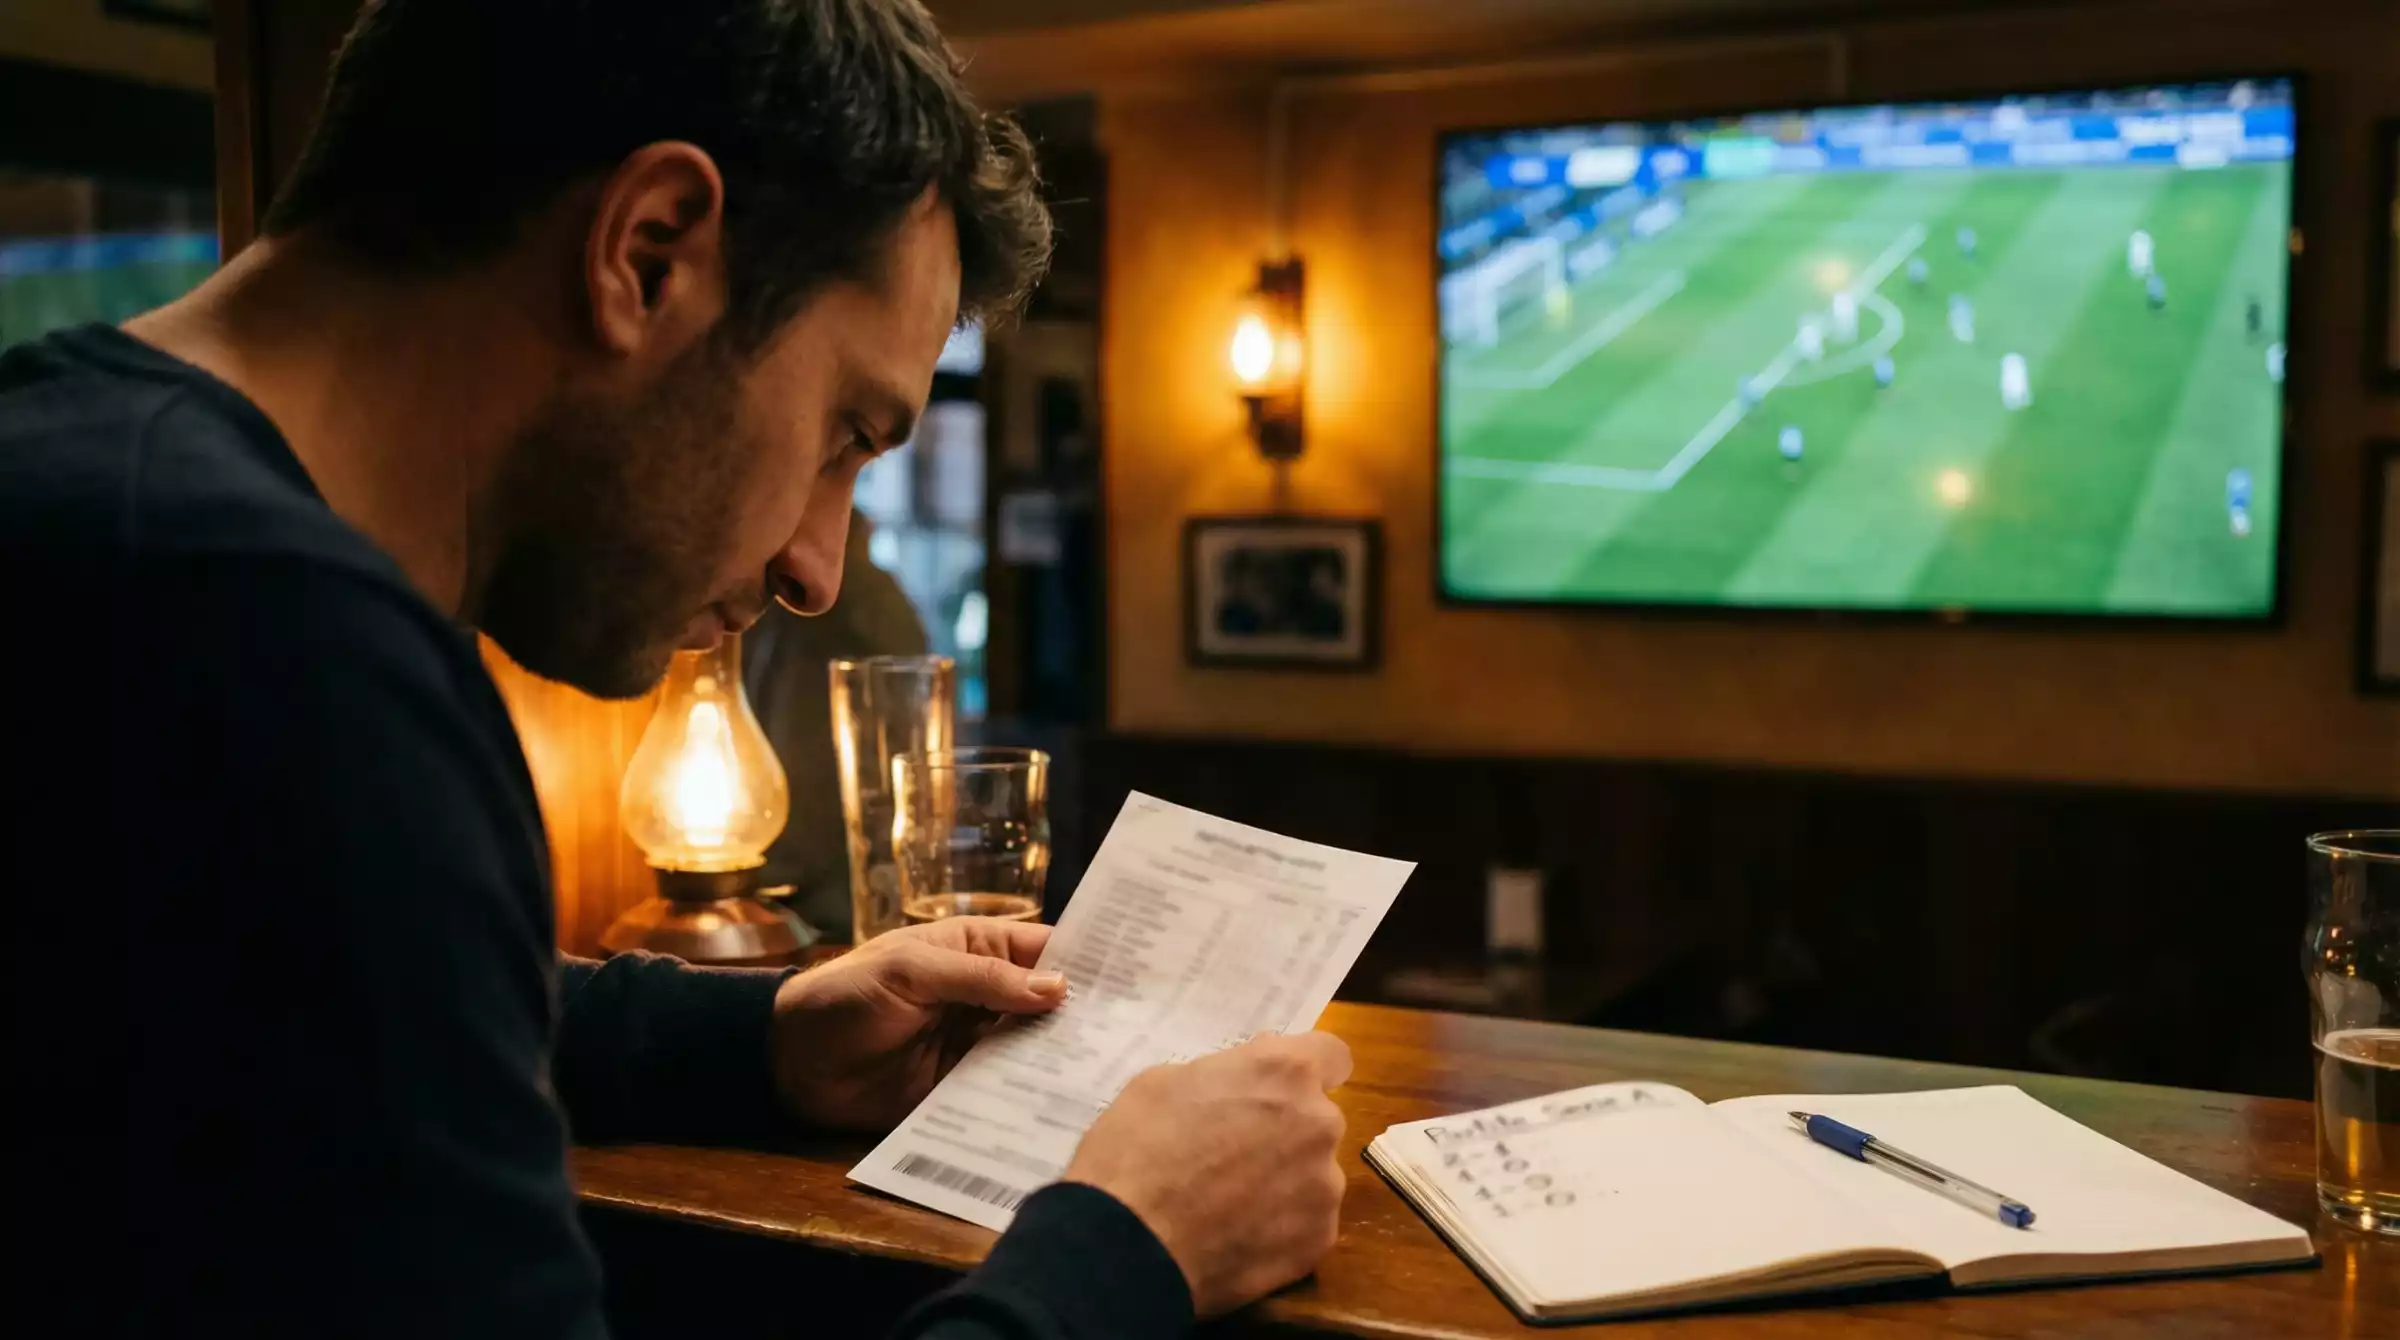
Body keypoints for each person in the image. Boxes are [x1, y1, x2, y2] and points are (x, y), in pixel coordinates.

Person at [1, 2, 1350, 1337]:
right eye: (844, 432)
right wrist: (1124, 1253)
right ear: (649, 254)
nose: (817, 570)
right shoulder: (277, 653)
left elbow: (279, 1017)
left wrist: (761, 1040)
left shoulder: (85, 502)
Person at [744, 512, 928, 937]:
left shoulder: (789, 594)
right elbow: (912, 708)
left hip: (811, 864)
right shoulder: (867, 596)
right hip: (828, 865)